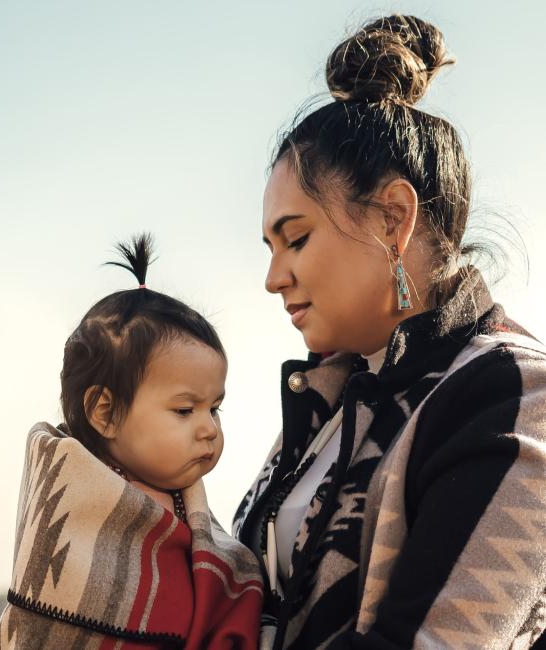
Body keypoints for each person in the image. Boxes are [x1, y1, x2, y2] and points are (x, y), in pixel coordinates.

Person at [233, 15, 546, 650]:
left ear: (392, 218)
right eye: (270, 246)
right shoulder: (327, 400)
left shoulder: (516, 396)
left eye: (295, 238)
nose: (272, 277)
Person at [0, 234, 263, 649]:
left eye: (215, 409)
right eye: (185, 411)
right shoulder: (74, 511)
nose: (209, 428)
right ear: (105, 413)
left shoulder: (192, 517)